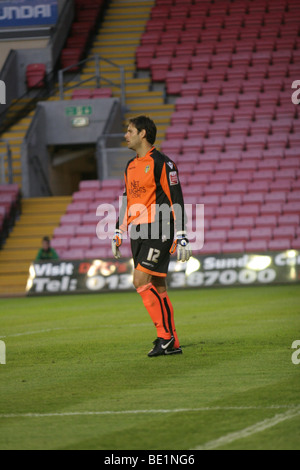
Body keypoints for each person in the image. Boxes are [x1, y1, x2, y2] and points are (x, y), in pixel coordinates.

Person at [112, 116, 192, 357]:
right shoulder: (130, 165)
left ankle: (164, 336)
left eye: (130, 131)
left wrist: (182, 234)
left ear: (143, 134)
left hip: (159, 228)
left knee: (140, 281)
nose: (126, 135)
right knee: (157, 284)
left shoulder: (163, 164)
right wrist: (119, 228)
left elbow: (176, 199)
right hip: (138, 230)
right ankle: (173, 341)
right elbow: (127, 198)